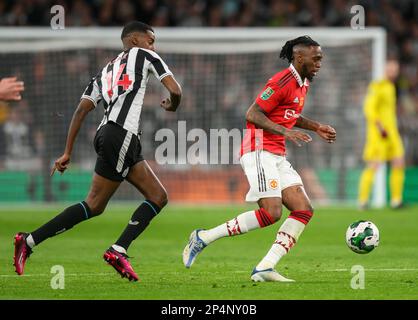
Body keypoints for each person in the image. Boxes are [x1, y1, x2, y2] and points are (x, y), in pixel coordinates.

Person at [13, 21, 182, 282]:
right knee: (96, 204)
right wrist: (172, 105)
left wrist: (67, 151)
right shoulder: (146, 55)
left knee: (155, 196)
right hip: (121, 134)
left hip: (109, 134)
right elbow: (175, 89)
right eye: (151, 40)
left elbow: (82, 109)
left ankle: (35, 241)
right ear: (136, 40)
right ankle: (112, 250)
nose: (154, 46)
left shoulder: (105, 71)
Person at [182, 36, 336, 282]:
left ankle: (265, 267)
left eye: (321, 58)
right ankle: (203, 237)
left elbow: (289, 114)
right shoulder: (282, 80)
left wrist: (315, 126)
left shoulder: (303, 82)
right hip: (258, 150)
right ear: (299, 57)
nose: (320, 63)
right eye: (315, 58)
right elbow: (252, 113)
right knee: (272, 213)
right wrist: (286, 131)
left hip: (276, 153)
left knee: (303, 209)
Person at [358, 58, 405, 210]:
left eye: (395, 69)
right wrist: (379, 128)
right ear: (385, 69)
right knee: (374, 165)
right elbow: (369, 109)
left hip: (392, 132)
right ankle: (363, 201)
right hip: (379, 133)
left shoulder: (391, 86)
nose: (393, 72)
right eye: (391, 69)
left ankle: (396, 201)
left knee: (399, 162)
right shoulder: (377, 85)